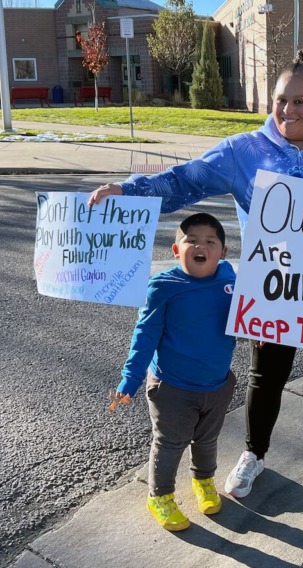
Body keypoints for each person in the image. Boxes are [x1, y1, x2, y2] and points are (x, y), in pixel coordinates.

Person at [89, 48, 303, 502]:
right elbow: (186, 180)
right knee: (267, 375)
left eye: (299, 102)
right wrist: (129, 191)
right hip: (272, 285)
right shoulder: (245, 150)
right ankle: (254, 454)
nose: (288, 110)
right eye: (280, 100)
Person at [114, 212, 237, 532]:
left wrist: (263, 331)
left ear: (223, 252)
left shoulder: (230, 278)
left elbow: (249, 314)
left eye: (210, 242)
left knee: (207, 440)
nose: (201, 246)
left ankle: (203, 482)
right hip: (172, 388)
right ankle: (160, 496)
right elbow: (145, 334)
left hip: (218, 384)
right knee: (170, 443)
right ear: (176, 249)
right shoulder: (164, 286)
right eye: (191, 240)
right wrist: (131, 377)